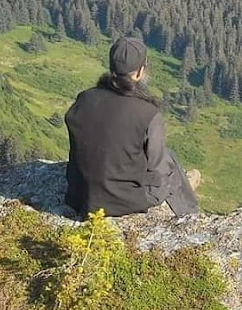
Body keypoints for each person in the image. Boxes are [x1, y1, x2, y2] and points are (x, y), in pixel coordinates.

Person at [64, 37, 199, 218]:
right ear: (139, 72)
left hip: (80, 196)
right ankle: (190, 214)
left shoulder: (84, 98)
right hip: (124, 201)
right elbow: (158, 167)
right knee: (169, 162)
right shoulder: (147, 113)